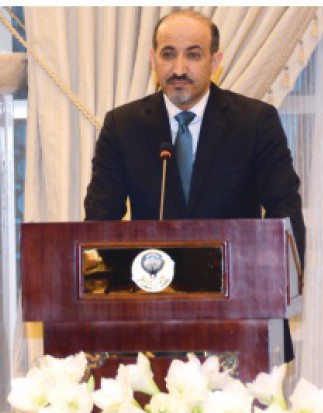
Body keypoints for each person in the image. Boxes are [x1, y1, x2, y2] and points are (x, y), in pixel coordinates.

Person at [84, 9, 305, 361]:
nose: (179, 68)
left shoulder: (255, 122)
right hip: (149, 324)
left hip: (240, 317)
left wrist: (268, 292)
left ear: (215, 61)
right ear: (153, 59)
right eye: (168, 54)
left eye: (193, 54)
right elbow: (99, 223)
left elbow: (285, 213)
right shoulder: (123, 126)